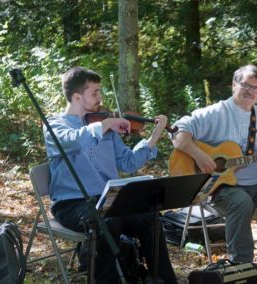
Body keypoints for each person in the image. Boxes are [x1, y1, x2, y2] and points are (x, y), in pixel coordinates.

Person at [43, 66, 177, 283]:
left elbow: (128, 162)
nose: (100, 98)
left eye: (100, 92)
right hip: (72, 203)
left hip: (109, 199)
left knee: (150, 218)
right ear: (77, 97)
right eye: (94, 93)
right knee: (108, 222)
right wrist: (105, 125)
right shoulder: (55, 125)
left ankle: (163, 279)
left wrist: (153, 138)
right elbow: (71, 141)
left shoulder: (104, 124)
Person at [171, 64, 257, 269]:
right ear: (234, 85)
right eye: (245, 85)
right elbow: (177, 134)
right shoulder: (214, 113)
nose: (250, 91)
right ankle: (241, 265)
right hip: (220, 188)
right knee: (242, 202)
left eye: (256, 88)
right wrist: (199, 156)